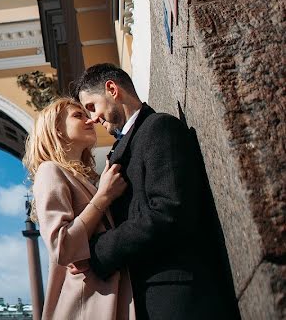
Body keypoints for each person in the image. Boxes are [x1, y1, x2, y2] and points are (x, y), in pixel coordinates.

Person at [72, 63, 240, 319]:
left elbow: (168, 212)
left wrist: (98, 252)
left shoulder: (158, 128)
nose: (92, 118)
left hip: (180, 297)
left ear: (112, 89)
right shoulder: (124, 148)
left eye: (92, 107)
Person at [23, 97, 135, 320]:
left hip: (106, 295)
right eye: (78, 116)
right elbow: (62, 247)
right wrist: (104, 196)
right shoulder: (49, 171)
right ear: (57, 129)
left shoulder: (82, 179)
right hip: (88, 305)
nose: (91, 120)